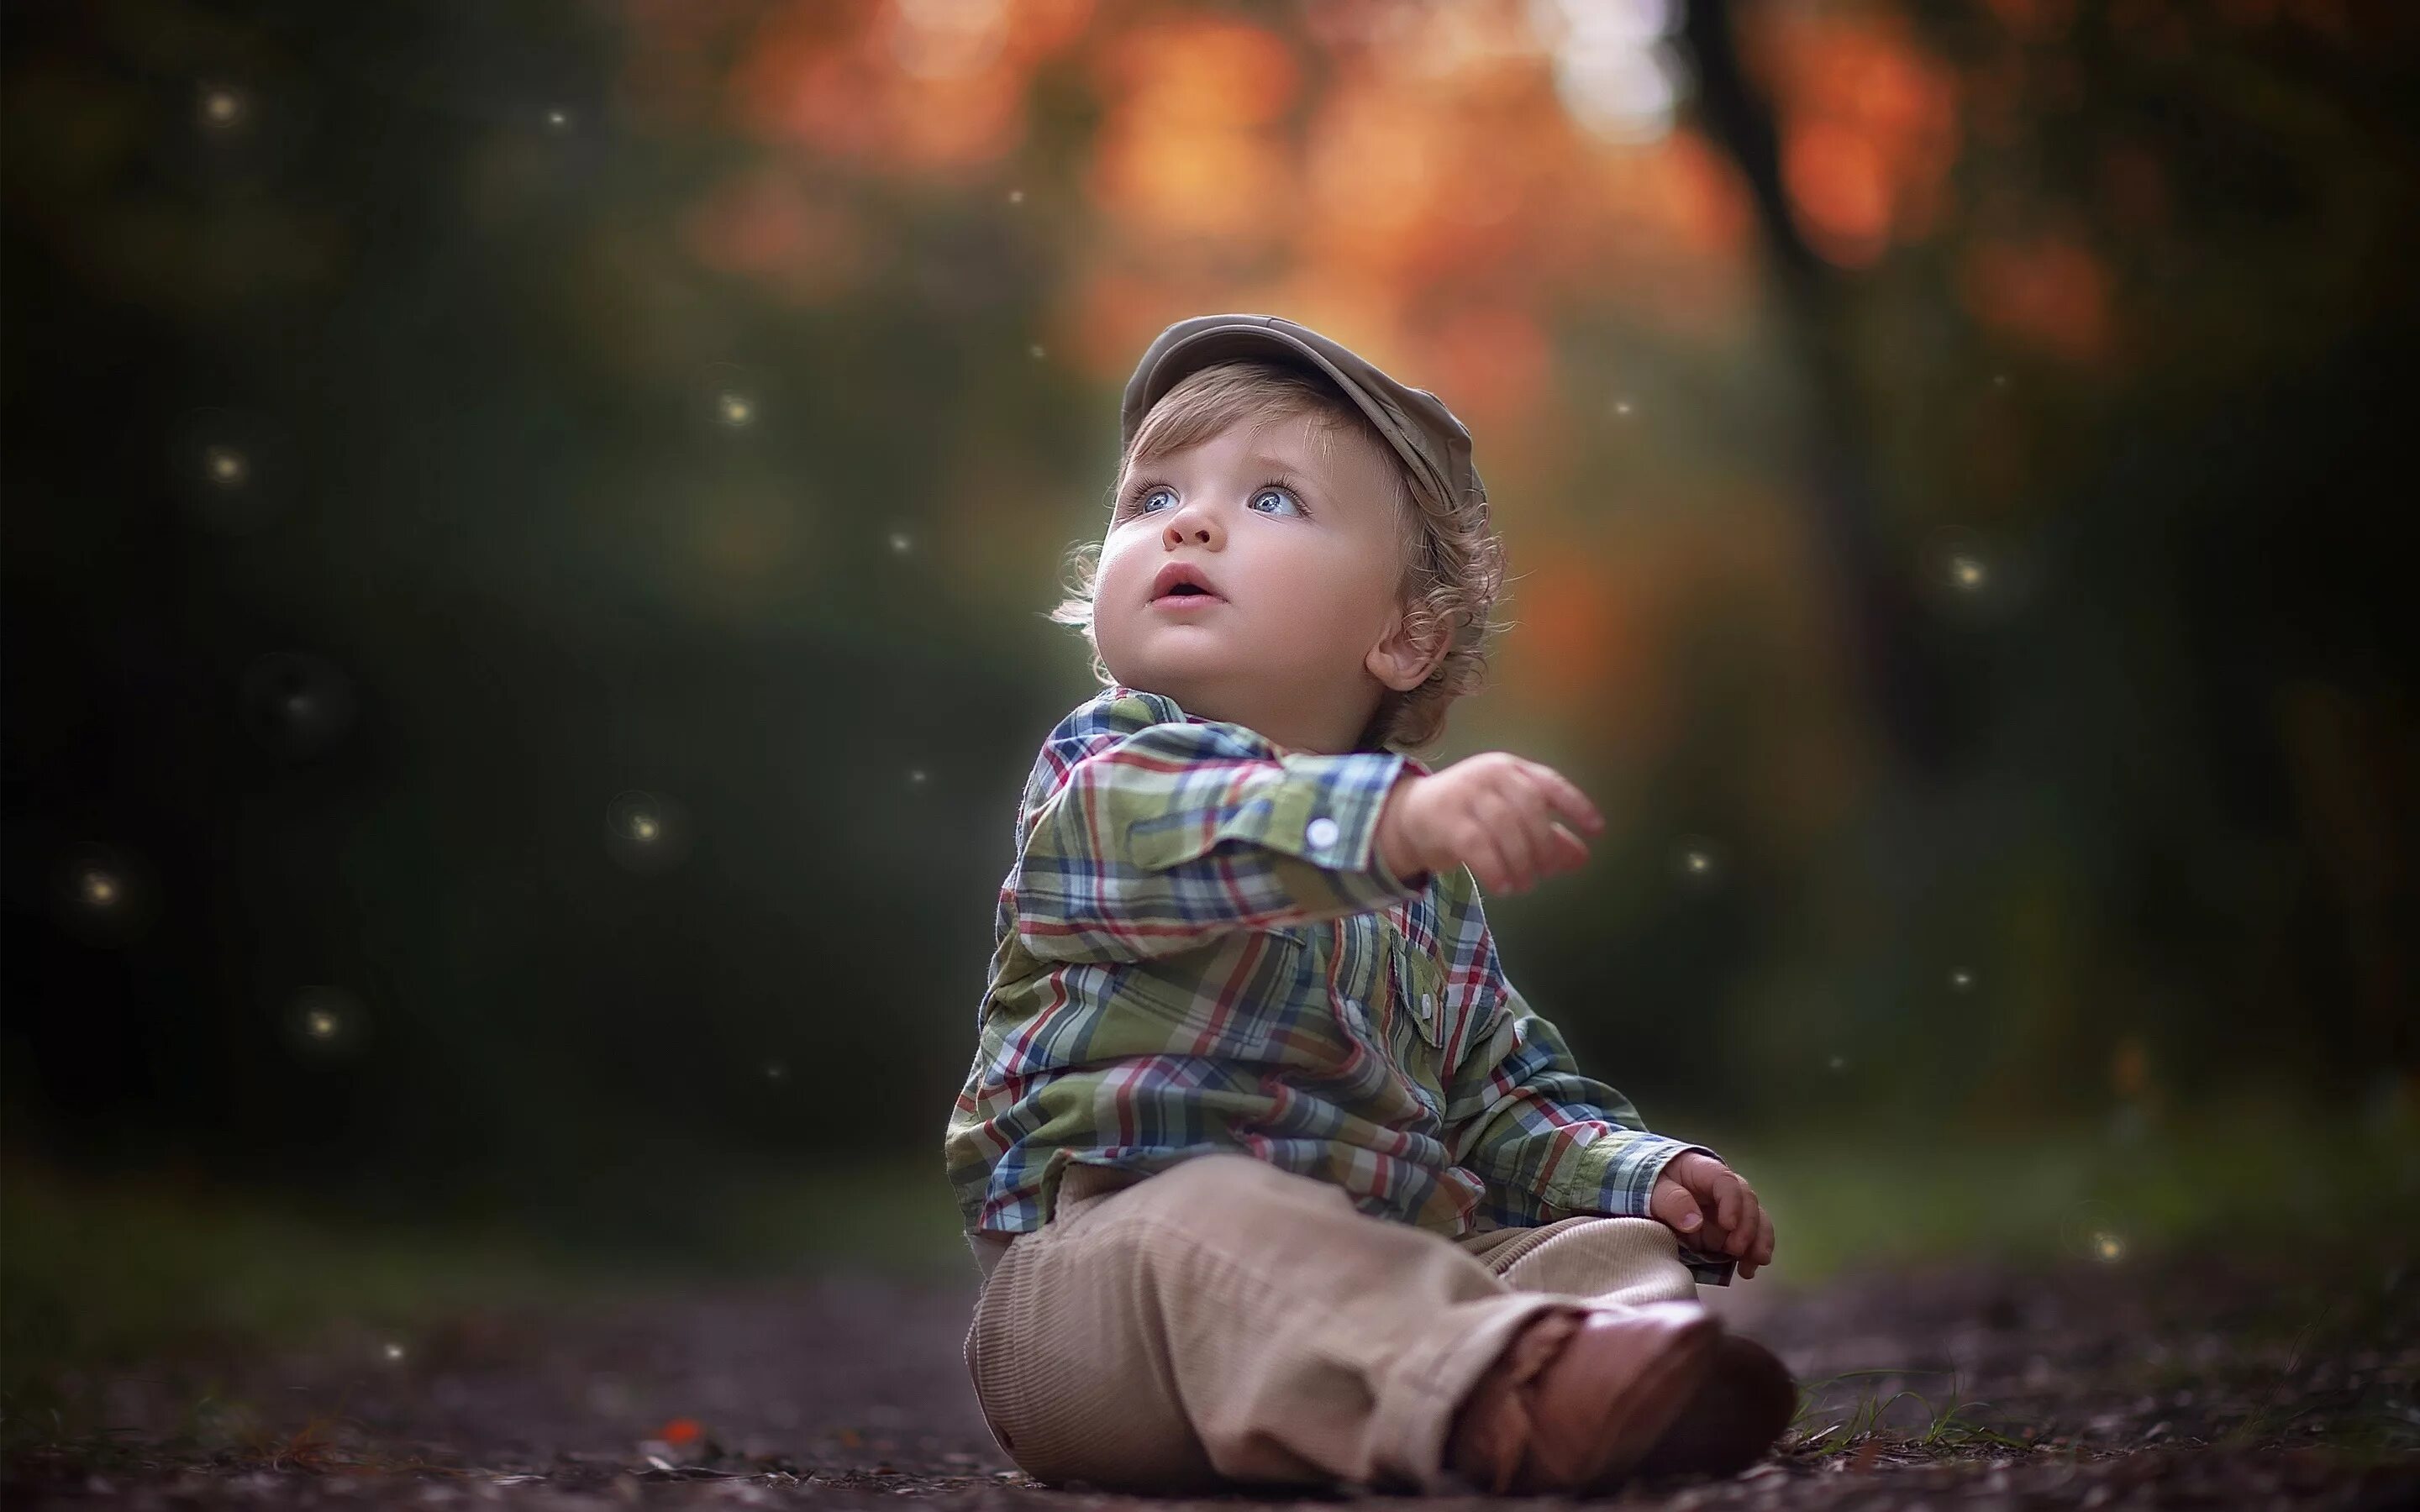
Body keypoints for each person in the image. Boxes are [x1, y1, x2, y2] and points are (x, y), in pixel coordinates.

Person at [943, 314, 1794, 1496]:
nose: (1186, 522)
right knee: (1221, 1220)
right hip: (1103, 1300)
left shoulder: (1426, 888)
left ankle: (1611, 1370)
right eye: (1151, 498)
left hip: (1374, 1276)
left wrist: (1639, 1172)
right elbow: (1169, 839)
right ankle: (1509, 1386)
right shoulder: (1107, 769)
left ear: (1405, 633)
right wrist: (1385, 826)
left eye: (1274, 499)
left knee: (1601, 1251)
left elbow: (1495, 1101)